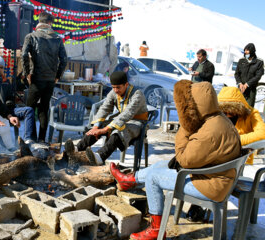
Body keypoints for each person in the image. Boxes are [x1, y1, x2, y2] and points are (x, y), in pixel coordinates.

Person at [110, 80, 241, 239]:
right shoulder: (219, 119)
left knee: (153, 178)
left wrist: (184, 127)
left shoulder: (210, 131)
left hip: (210, 186)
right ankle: (129, 180)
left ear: (197, 104)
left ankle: (156, 229)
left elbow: (184, 159)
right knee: (161, 164)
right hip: (215, 177)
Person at [185, 86, 265, 223]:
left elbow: (261, 133)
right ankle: (200, 204)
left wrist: (235, 140)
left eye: (231, 111)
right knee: (204, 168)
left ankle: (204, 204)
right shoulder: (216, 114)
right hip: (217, 152)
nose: (227, 114)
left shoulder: (252, 113)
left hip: (237, 155)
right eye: (224, 110)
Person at [65, 71, 148, 166]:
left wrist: (106, 129)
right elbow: (104, 108)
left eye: (118, 87)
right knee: (98, 128)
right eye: (113, 87)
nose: (115, 90)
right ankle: (77, 149)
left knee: (118, 131)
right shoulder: (114, 92)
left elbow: (127, 113)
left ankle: (100, 157)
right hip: (121, 120)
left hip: (137, 123)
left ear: (126, 84)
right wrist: (96, 127)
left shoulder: (137, 94)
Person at [22, 11, 67, 143]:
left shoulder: (31, 36)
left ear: (39, 22)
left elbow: (24, 55)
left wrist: (27, 74)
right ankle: (41, 139)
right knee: (44, 109)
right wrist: (57, 76)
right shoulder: (58, 39)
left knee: (29, 109)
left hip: (36, 79)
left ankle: (30, 139)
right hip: (50, 81)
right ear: (49, 23)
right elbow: (64, 60)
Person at [0, 56, 35, 144]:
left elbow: (10, 98)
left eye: (1, 67)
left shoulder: (6, 82)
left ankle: (27, 140)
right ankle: (6, 145)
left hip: (8, 110)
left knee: (29, 110)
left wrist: (9, 104)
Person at [235, 43, 264, 107]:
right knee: (238, 108)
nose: (245, 52)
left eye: (247, 50)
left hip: (251, 90)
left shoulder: (259, 62)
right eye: (245, 50)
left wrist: (247, 84)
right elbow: (237, 74)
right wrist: (240, 83)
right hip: (241, 88)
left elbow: (258, 76)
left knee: (248, 108)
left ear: (252, 51)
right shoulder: (241, 61)